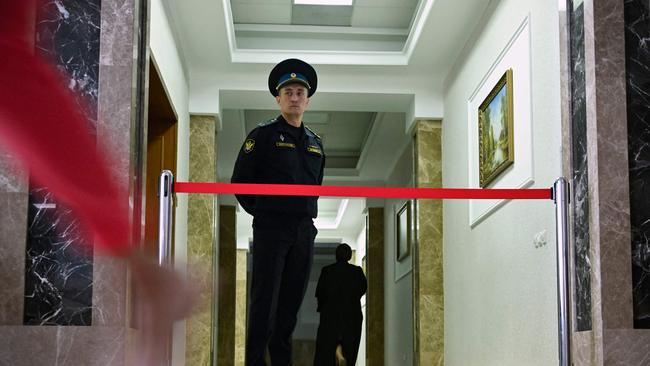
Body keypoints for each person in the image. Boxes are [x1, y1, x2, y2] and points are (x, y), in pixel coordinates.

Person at [231, 58, 326, 366]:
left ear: (307, 99)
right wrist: (264, 213)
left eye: (300, 92)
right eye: (288, 92)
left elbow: (316, 184)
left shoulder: (316, 143)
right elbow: (240, 182)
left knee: (291, 303)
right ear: (278, 97)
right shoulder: (263, 135)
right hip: (272, 226)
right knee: (264, 301)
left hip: (303, 229)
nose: (294, 97)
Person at [313, 243, 367, 366]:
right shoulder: (357, 272)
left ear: (336, 255)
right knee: (350, 347)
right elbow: (363, 288)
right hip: (352, 315)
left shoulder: (327, 271)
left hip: (330, 315)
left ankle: (338, 355)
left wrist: (322, 308)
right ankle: (342, 356)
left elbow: (320, 293)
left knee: (326, 350)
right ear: (349, 256)